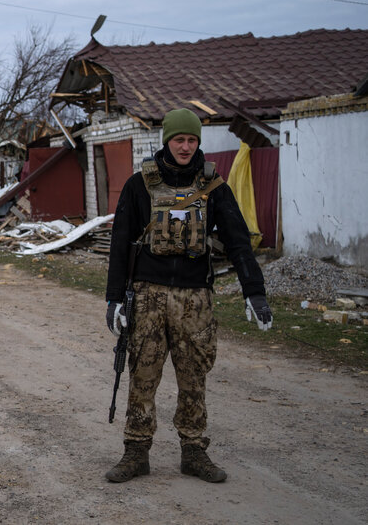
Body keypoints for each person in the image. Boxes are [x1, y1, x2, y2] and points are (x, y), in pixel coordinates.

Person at [104, 108, 273, 484]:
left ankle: (194, 451)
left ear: (198, 141)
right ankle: (136, 452)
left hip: (195, 298)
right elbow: (120, 244)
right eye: (179, 139)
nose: (185, 146)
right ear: (167, 140)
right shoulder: (138, 186)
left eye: (191, 139)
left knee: (194, 377)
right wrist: (114, 298)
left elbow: (239, 241)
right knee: (143, 375)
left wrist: (254, 293)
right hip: (147, 296)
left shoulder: (215, 187)